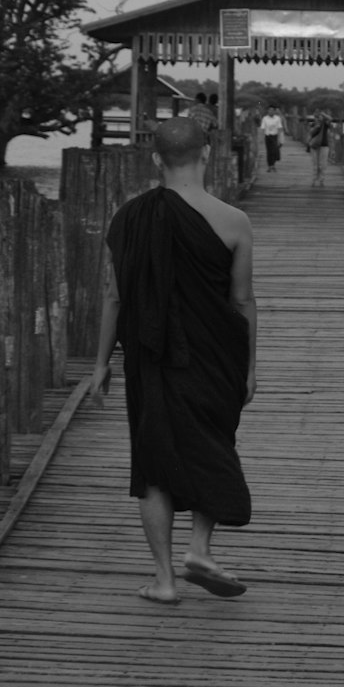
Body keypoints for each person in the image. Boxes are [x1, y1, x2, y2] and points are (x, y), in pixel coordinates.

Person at [90, 117, 257, 605]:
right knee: (212, 445)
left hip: (149, 357)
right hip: (216, 355)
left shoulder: (128, 217)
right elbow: (243, 301)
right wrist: (249, 367)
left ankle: (164, 579)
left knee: (153, 463)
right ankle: (200, 547)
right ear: (206, 154)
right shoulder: (233, 220)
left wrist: (101, 364)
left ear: (156, 159)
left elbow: (114, 297)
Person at [306, 108, 332, 186]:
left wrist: (323, 114)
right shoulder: (313, 124)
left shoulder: (325, 124)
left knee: (322, 164)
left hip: (324, 145)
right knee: (315, 163)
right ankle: (314, 180)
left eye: (320, 116)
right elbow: (310, 134)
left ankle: (321, 180)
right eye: (317, 116)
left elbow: (330, 119)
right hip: (314, 145)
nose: (318, 118)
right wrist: (315, 127)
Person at [259, 104, 284, 171]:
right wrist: (261, 138)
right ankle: (270, 166)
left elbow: (280, 128)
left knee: (274, 151)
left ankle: (273, 164)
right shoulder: (265, 118)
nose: (271, 111)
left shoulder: (277, 118)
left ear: (274, 111)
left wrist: (280, 138)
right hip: (267, 136)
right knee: (269, 151)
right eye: (269, 110)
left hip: (275, 136)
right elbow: (262, 128)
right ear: (267, 111)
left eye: (272, 110)